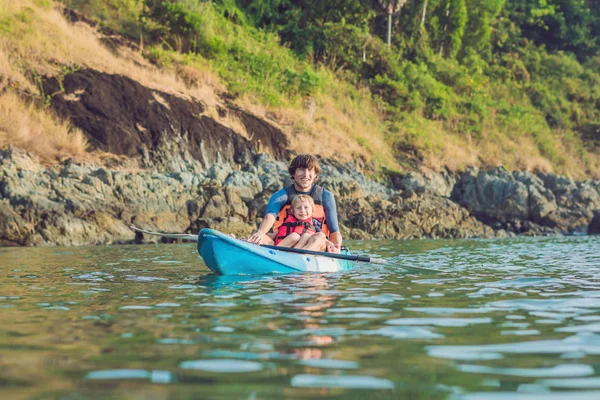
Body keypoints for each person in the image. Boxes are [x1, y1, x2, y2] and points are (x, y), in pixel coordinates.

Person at [247, 154, 342, 253]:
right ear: (293, 173)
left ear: (315, 175)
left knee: (320, 236)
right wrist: (260, 232)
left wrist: (336, 246)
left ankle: (301, 255)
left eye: (310, 170)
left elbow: (334, 231)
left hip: (314, 247)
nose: (306, 174)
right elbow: (270, 215)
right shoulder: (281, 196)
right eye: (301, 169)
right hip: (284, 245)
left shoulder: (325, 196)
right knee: (261, 237)